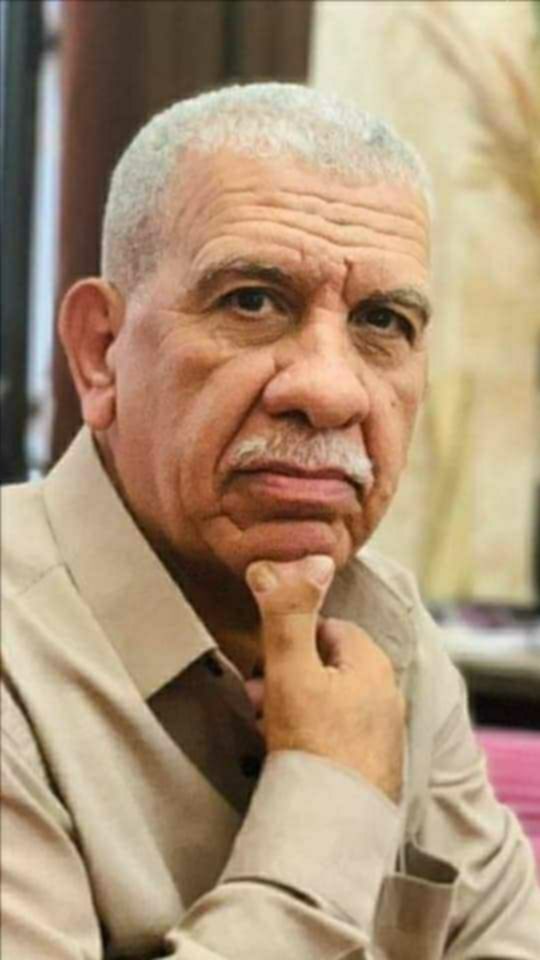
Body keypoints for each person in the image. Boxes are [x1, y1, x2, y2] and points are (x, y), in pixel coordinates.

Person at [2, 83, 539, 960]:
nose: (329, 391)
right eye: (252, 301)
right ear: (100, 353)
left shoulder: (384, 625)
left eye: (382, 321)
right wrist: (330, 794)